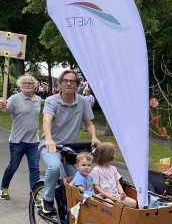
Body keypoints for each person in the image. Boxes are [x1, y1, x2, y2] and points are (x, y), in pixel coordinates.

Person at [39, 69, 100, 214]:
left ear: (77, 85)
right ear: (60, 83)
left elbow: (89, 123)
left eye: (72, 81)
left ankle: (72, 213)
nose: (68, 83)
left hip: (71, 148)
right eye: (65, 80)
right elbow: (47, 120)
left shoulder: (83, 102)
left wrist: (94, 137)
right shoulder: (51, 101)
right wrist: (49, 140)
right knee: (54, 167)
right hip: (50, 145)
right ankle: (47, 199)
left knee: (80, 178)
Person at [0, 74, 41, 200]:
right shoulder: (14, 99)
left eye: (30, 83)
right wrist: (1, 106)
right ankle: (3, 188)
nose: (27, 85)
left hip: (34, 141)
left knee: (35, 168)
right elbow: (4, 110)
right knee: (13, 166)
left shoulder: (38, 100)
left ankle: (35, 194)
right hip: (17, 141)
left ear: (35, 85)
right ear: (20, 85)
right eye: (24, 83)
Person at [92, 142, 137, 208]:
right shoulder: (96, 170)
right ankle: (118, 215)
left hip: (115, 195)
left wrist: (121, 193)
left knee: (133, 203)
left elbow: (117, 183)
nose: (114, 156)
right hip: (103, 197)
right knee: (111, 207)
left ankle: (125, 215)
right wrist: (108, 196)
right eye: (113, 154)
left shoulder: (113, 168)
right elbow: (96, 187)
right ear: (107, 155)